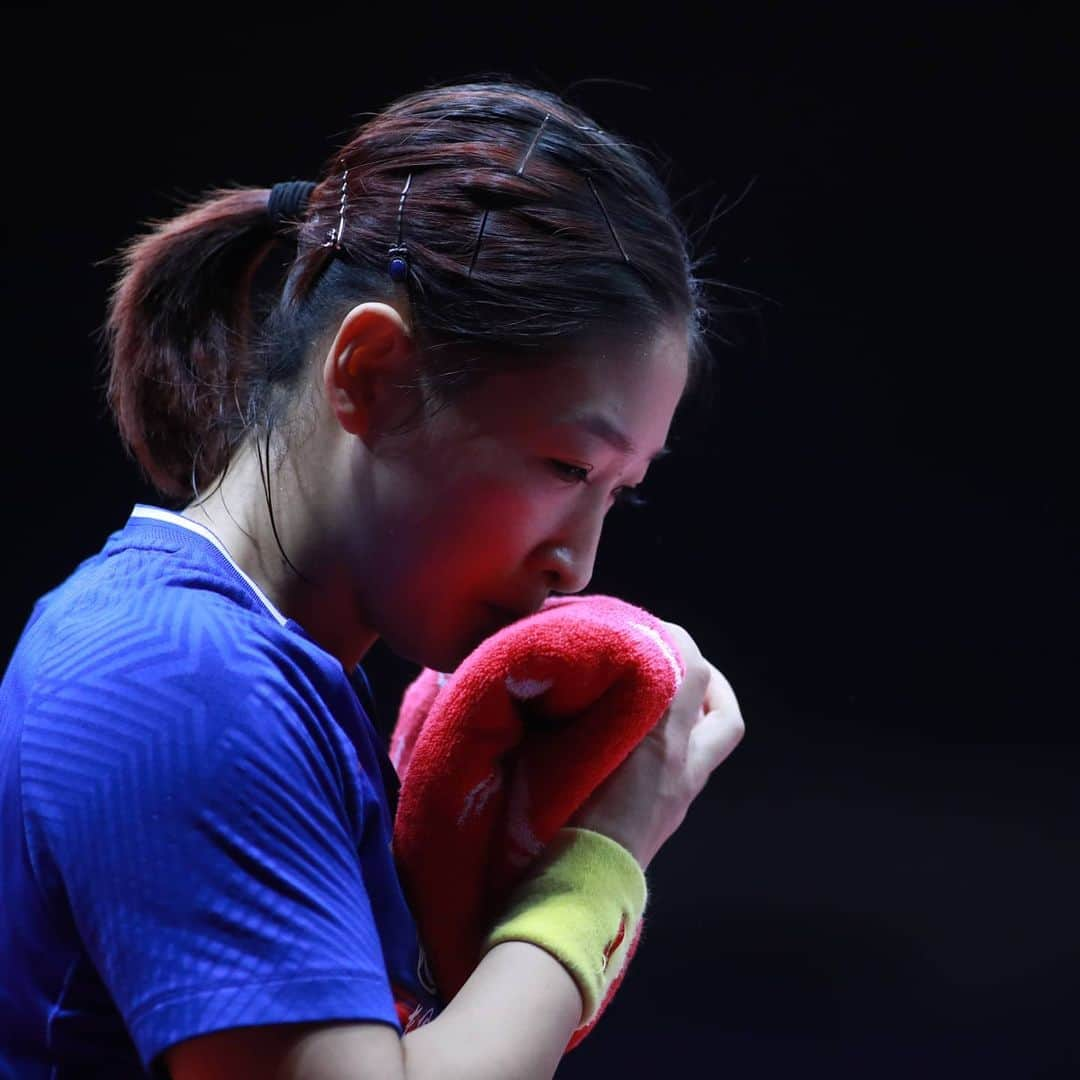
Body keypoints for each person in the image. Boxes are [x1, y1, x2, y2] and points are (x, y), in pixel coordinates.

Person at [0, 79, 747, 1079]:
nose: (579, 564)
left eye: (619, 492)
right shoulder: (176, 683)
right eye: (568, 468)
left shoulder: (273, 674)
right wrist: (604, 859)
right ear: (371, 375)